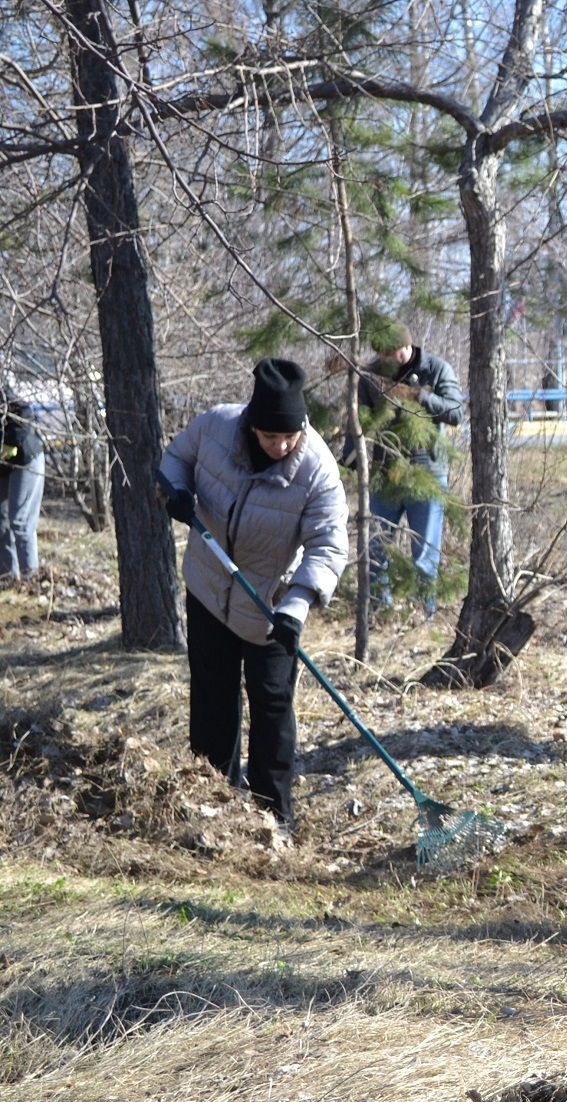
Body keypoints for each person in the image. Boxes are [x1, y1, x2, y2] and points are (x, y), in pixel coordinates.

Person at [156, 358, 350, 832]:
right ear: (250, 424)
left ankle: (273, 816)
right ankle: (213, 802)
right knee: (212, 700)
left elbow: (329, 544)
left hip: (271, 606)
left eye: (289, 436)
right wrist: (177, 490)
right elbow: (175, 458)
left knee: (272, 705)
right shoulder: (215, 428)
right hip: (209, 589)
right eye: (269, 436)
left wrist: (297, 606)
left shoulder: (317, 468)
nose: (280, 446)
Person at [356, 321, 463, 616]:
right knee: (376, 548)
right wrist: (352, 460)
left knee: (424, 554)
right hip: (385, 474)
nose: (385, 360)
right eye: (381, 354)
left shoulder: (436, 369)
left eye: (390, 353)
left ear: (406, 345)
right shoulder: (371, 374)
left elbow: (456, 412)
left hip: (426, 473)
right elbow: (359, 418)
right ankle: (379, 611)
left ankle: (423, 614)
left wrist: (417, 395)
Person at [0, 397, 42, 582]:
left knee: (20, 521)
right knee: (1, 520)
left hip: (26, 458)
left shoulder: (4, 396)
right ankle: (8, 578)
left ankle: (30, 579)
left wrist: (8, 441)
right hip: (4, 465)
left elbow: (25, 413)